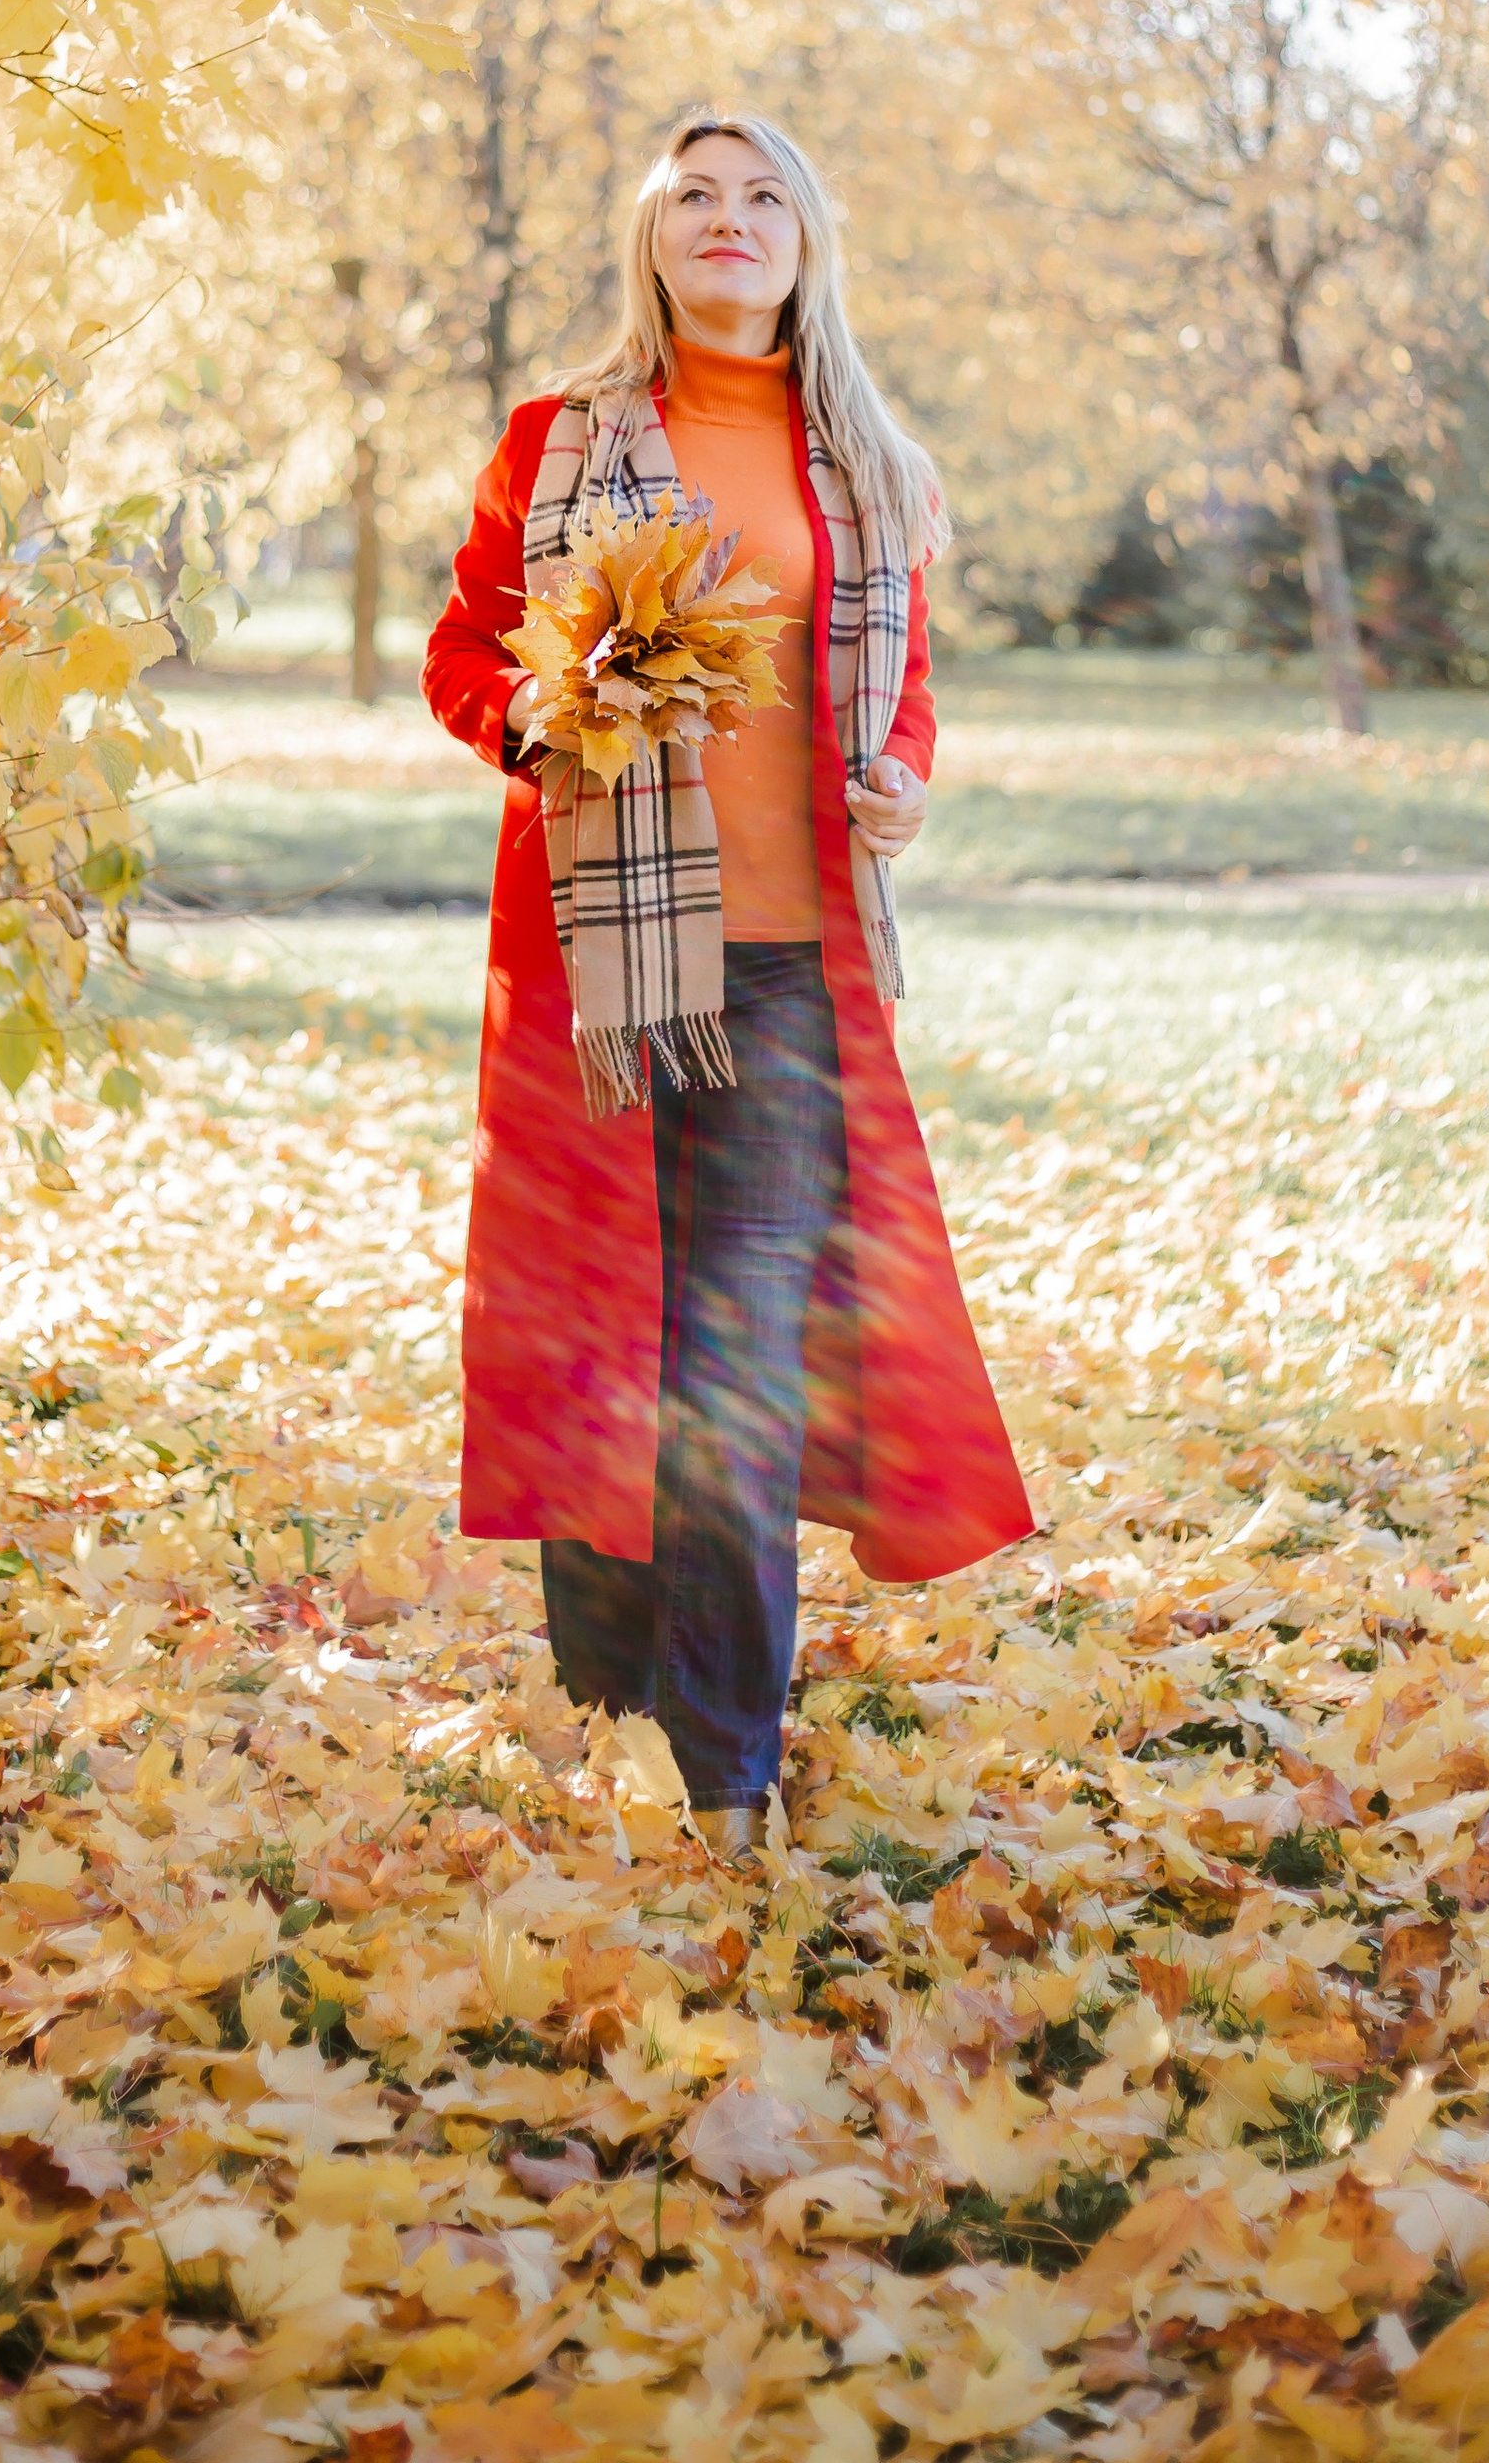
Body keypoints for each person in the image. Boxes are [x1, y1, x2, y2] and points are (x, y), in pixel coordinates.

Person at [421, 110, 1030, 1858]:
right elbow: (468, 652)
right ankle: (610, 1680)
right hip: (593, 967)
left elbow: (899, 684)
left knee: (738, 1358)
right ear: (654, 237)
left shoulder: (871, 463)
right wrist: (542, 718)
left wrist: (903, 777)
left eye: (763, 195)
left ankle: (727, 1761)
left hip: (786, 975)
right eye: (696, 195)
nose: (730, 219)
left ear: (808, 240)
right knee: (604, 1335)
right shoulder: (555, 440)